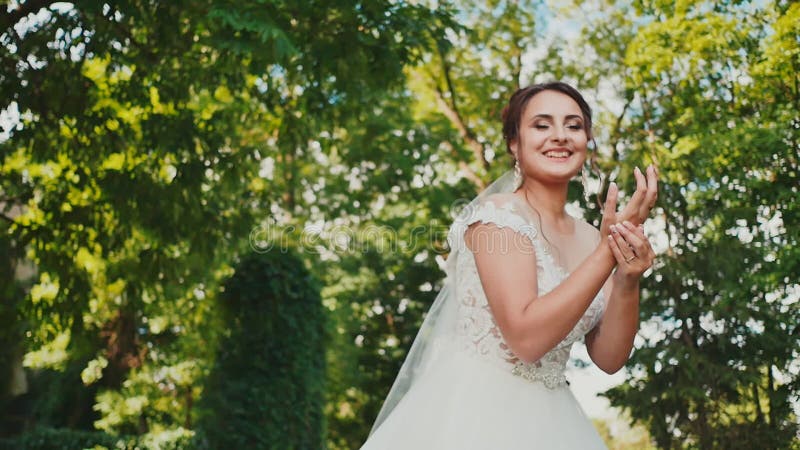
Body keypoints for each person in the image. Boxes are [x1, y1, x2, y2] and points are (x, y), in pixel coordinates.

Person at [361, 81, 658, 449]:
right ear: (514, 143)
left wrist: (628, 277)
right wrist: (607, 253)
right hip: (475, 416)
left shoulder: (590, 236)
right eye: (541, 125)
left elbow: (610, 358)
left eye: (574, 125)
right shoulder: (496, 218)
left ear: (587, 141)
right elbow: (527, 339)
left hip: (556, 421)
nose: (560, 136)